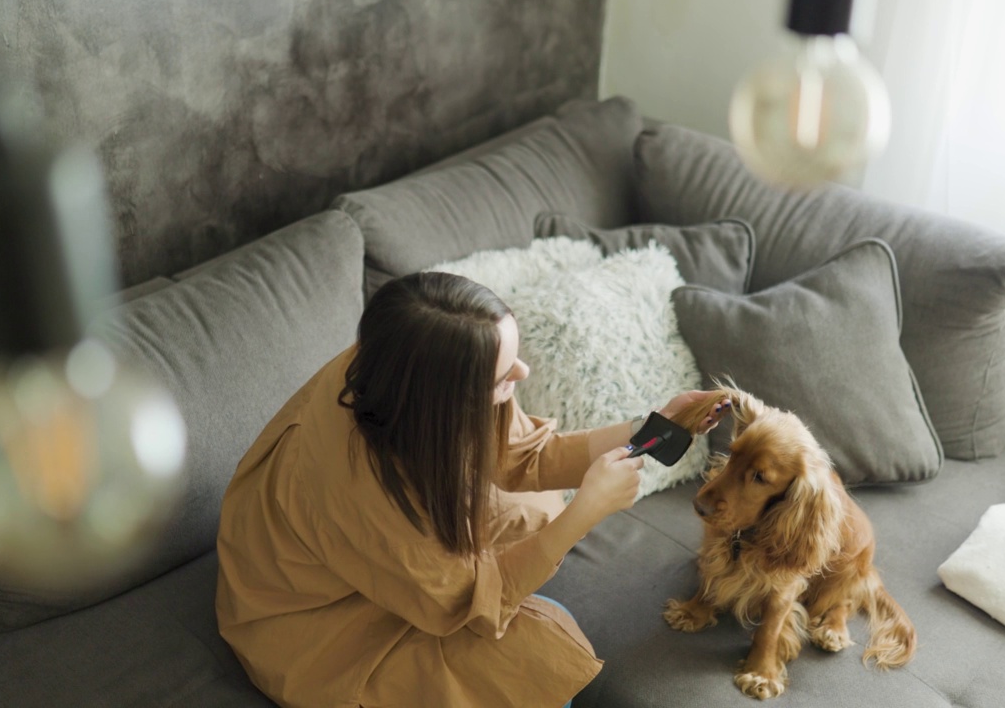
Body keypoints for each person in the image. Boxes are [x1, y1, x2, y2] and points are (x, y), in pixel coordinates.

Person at [216, 271, 727, 708]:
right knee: (539, 657)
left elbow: (525, 454)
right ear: (448, 399)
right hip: (316, 630)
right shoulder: (364, 493)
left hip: (367, 556)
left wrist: (654, 428)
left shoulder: (405, 361)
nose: (522, 375)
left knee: (531, 514)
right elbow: (460, 603)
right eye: (505, 376)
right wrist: (584, 515)